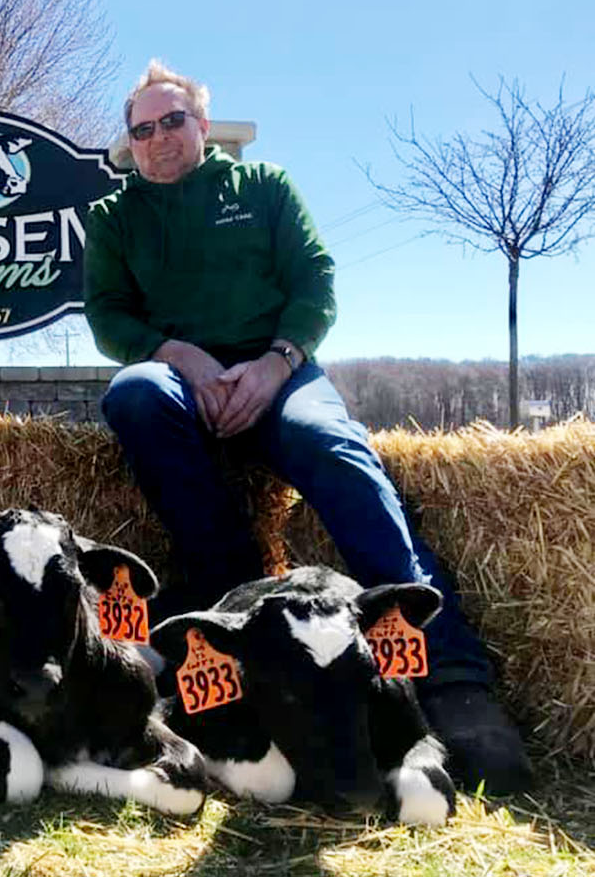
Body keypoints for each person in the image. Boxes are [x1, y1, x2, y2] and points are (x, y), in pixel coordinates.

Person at [84, 61, 532, 795]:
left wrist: (272, 363)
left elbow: (316, 284)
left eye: (173, 121)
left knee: (332, 446)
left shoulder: (262, 189)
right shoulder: (113, 217)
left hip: (281, 368)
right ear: (129, 142)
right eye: (142, 129)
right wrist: (179, 355)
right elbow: (108, 317)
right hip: (182, 381)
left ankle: (449, 671)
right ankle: (231, 606)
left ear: (202, 124)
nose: (159, 138)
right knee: (133, 393)